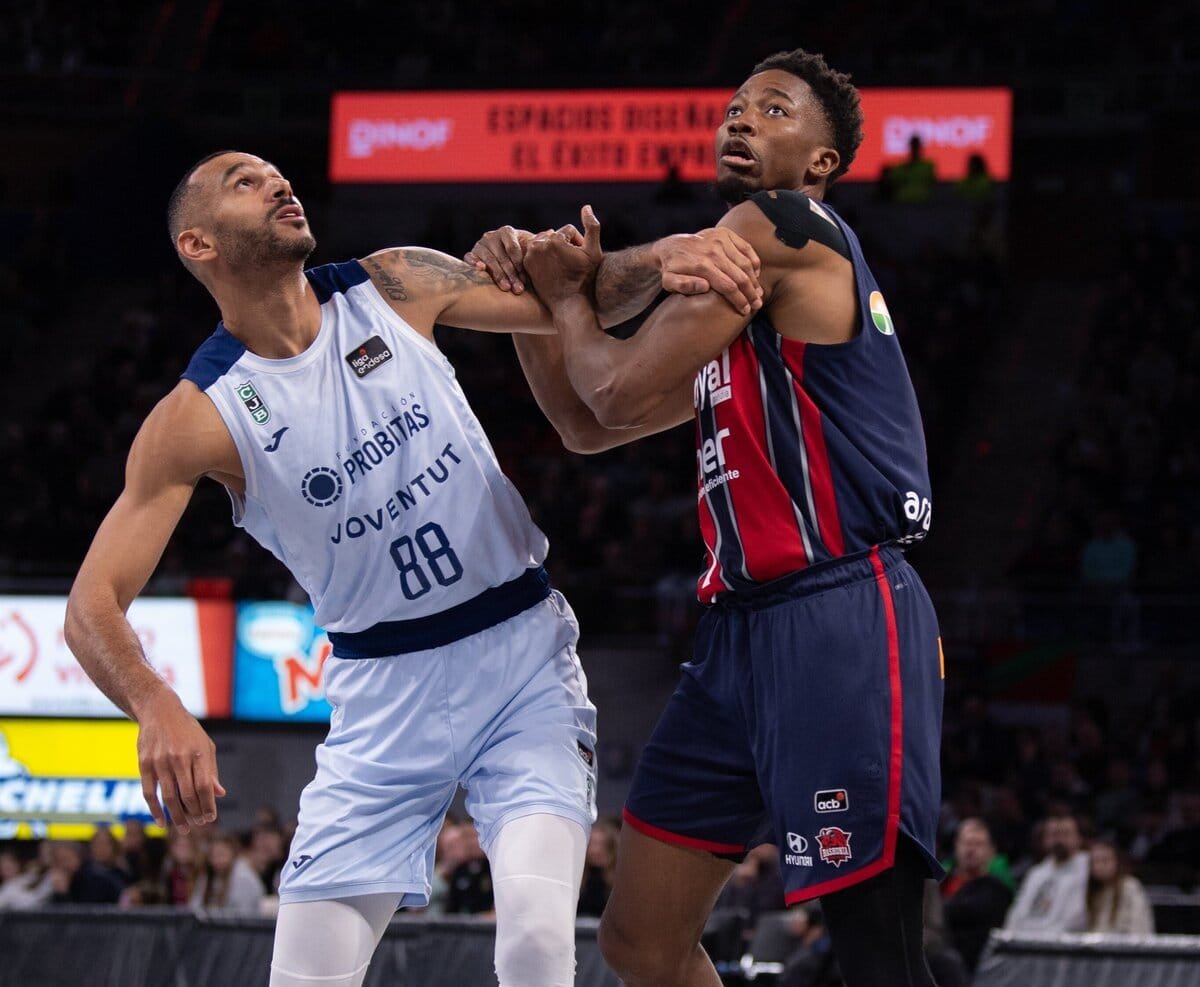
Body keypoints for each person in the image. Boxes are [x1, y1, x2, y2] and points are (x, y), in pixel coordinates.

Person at [63, 149, 762, 987]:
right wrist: (156, 703)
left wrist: (664, 254)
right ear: (198, 244)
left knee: (537, 945)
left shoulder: (393, 283)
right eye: (244, 182)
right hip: (382, 696)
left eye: (278, 174)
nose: (279, 183)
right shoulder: (198, 417)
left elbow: (571, 294)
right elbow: (91, 603)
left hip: (520, 654)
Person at [472, 47, 944, 987]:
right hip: (736, 635)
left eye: (771, 110)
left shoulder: (780, 223)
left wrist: (566, 291)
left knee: (878, 958)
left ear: (821, 161)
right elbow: (583, 421)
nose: (739, 121)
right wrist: (539, 301)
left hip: (839, 613)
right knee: (639, 941)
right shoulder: (744, 325)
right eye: (733, 108)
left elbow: (606, 387)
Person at [940, 818, 1014, 972]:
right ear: (956, 846)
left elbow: (968, 912)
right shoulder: (940, 881)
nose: (971, 849)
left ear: (991, 852)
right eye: (967, 843)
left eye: (978, 844)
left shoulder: (996, 890)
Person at [1004, 811, 1089, 933]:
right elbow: (1016, 914)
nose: (1059, 840)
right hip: (1026, 943)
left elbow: (1077, 918)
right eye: (1054, 834)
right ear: (1044, 839)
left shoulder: (1088, 868)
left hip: (1064, 944)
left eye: (1065, 834)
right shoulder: (1036, 873)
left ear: (1078, 837)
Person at [1086, 837, 1154, 934]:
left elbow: (1139, 927)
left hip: (1125, 946)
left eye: (1105, 860)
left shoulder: (1130, 887)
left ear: (1117, 861)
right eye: (1095, 861)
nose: (1099, 866)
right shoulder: (1094, 891)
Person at [191, 830, 266, 915]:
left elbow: (244, 917)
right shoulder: (207, 876)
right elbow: (195, 909)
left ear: (232, 853)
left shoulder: (243, 878)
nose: (217, 860)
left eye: (221, 854)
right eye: (213, 855)